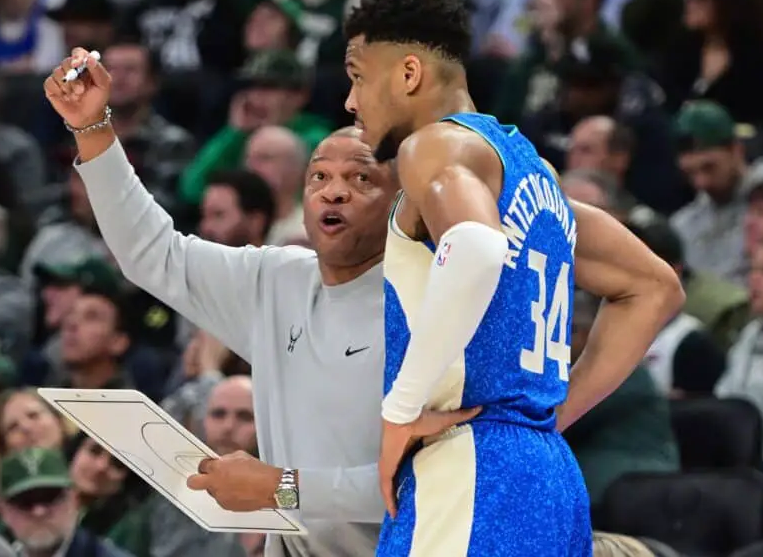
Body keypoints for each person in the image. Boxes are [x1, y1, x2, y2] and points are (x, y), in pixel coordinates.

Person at [42, 55, 477, 557]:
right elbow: (150, 254)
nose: (333, 192)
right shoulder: (276, 278)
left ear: (404, 202)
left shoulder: (426, 305)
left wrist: (281, 488)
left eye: (361, 180)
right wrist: (92, 128)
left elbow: (424, 489)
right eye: (319, 178)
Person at [341, 0, 684, 555]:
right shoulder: (535, 173)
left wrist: (399, 411)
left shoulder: (431, 148)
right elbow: (654, 287)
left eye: (356, 75)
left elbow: (474, 247)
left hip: (470, 469)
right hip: (548, 474)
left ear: (407, 74)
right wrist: (548, 415)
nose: (351, 101)